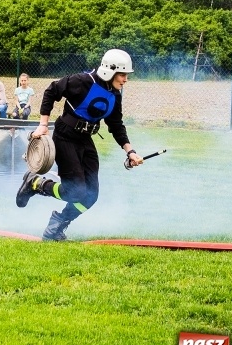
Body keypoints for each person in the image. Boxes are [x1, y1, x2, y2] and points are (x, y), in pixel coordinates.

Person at [15, 49, 144, 241]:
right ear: (110, 70)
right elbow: (52, 90)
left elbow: (116, 124)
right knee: (75, 192)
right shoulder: (83, 81)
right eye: (123, 74)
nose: (125, 79)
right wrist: (43, 125)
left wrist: (130, 151)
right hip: (65, 137)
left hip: (85, 140)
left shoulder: (115, 94)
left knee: (91, 195)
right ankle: (36, 183)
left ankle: (56, 226)